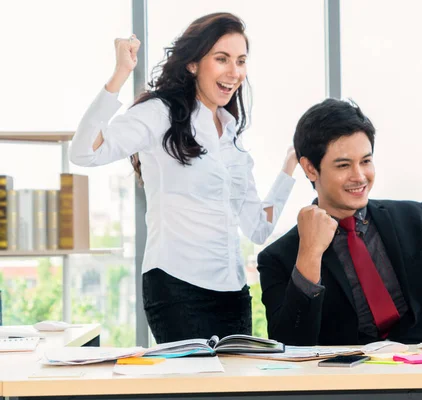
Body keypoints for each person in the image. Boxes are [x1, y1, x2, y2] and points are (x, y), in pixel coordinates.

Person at [69, 13, 297, 343]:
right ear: (192, 64)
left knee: (233, 394)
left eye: (241, 61)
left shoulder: (231, 134)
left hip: (233, 293)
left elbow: (257, 228)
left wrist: (288, 168)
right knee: (192, 392)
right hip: (177, 289)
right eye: (222, 59)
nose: (234, 72)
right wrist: (119, 75)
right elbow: (84, 152)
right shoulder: (160, 114)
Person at [257, 99, 422, 346]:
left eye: (366, 161)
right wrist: (310, 255)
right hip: (350, 381)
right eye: (344, 165)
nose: (359, 176)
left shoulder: (416, 219)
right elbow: (292, 348)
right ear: (310, 168)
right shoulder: (278, 257)